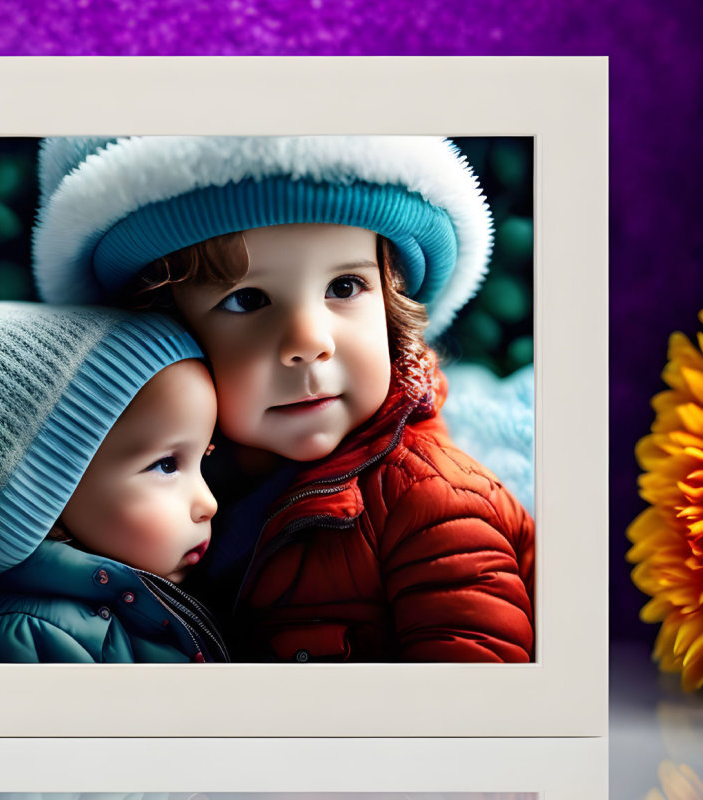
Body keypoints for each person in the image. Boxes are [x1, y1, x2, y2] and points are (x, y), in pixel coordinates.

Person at [31, 135, 535, 663]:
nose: (309, 342)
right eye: (247, 300)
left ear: (391, 309)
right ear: (167, 340)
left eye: (344, 287)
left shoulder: (432, 504)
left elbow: (477, 716)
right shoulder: (144, 492)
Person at [0, 302, 228, 663]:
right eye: (167, 465)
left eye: (203, 458)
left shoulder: (169, 594)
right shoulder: (28, 635)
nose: (209, 503)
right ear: (46, 496)